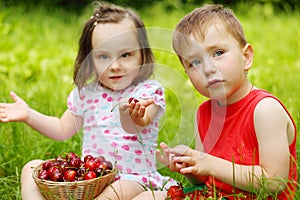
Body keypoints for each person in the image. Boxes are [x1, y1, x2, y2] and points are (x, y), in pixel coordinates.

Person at [0, 2, 174, 200]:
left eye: (126, 55)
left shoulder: (148, 91)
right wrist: (29, 115)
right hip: (88, 179)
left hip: (132, 178)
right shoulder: (86, 94)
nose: (115, 66)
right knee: (30, 168)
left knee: (128, 190)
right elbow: (61, 129)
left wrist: (130, 113)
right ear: (90, 60)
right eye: (103, 56)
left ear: (143, 55)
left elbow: (139, 124)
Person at [156, 4, 298, 200]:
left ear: (246, 57)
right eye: (195, 62)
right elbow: (205, 179)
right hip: (216, 196)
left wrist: (209, 163)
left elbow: (274, 181)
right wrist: (190, 166)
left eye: (218, 53)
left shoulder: (265, 109)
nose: (208, 68)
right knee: (146, 196)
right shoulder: (203, 113)